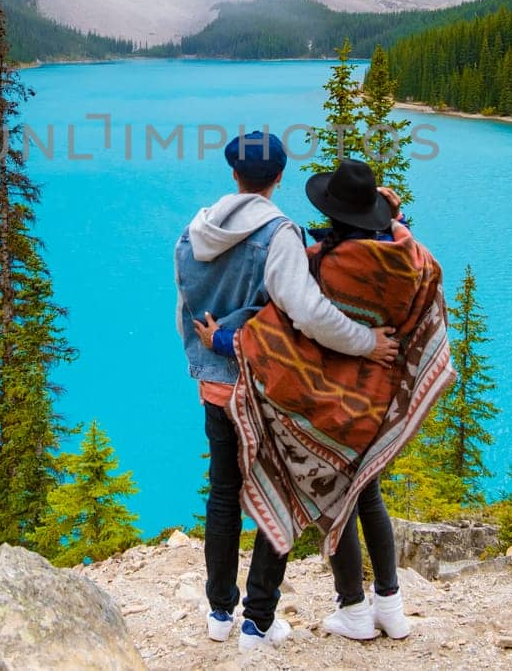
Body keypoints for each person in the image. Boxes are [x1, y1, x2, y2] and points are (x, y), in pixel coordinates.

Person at [175, 132, 399, 652]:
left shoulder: (192, 233)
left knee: (223, 494)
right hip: (262, 387)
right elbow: (310, 313)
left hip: (213, 384)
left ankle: (219, 611)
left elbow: (186, 307)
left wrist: (211, 350)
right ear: (277, 179)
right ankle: (257, 622)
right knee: (278, 494)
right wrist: (366, 342)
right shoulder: (279, 235)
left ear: (235, 175)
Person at [224, 157, 455, 643]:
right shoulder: (410, 258)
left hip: (336, 404)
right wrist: (395, 217)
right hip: (380, 398)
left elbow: (286, 322)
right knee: (368, 493)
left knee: (341, 499)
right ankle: (389, 604)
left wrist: (225, 341)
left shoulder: (326, 265)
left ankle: (353, 608)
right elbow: (407, 257)